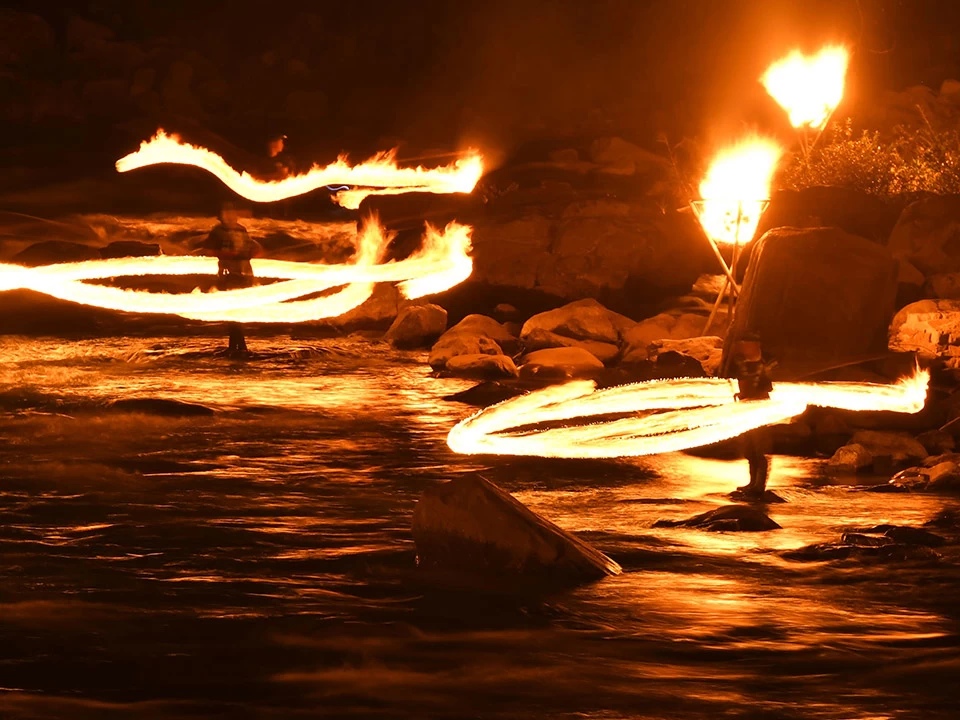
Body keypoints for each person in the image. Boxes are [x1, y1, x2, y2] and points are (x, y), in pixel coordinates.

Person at [198, 202, 263, 355]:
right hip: (228, 276)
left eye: (231, 212)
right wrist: (228, 255)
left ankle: (238, 346)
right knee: (233, 311)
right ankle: (237, 346)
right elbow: (209, 250)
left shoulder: (242, 230)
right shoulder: (218, 232)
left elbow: (251, 249)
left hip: (244, 275)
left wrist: (252, 252)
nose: (229, 216)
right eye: (226, 213)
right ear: (221, 217)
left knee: (237, 311)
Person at [732, 332, 775, 498]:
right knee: (749, 448)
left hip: (760, 407)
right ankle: (751, 482)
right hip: (745, 406)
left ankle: (759, 485)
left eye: (746, 345)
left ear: (755, 345)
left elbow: (767, 384)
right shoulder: (740, 361)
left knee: (759, 447)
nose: (744, 348)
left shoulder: (767, 362)